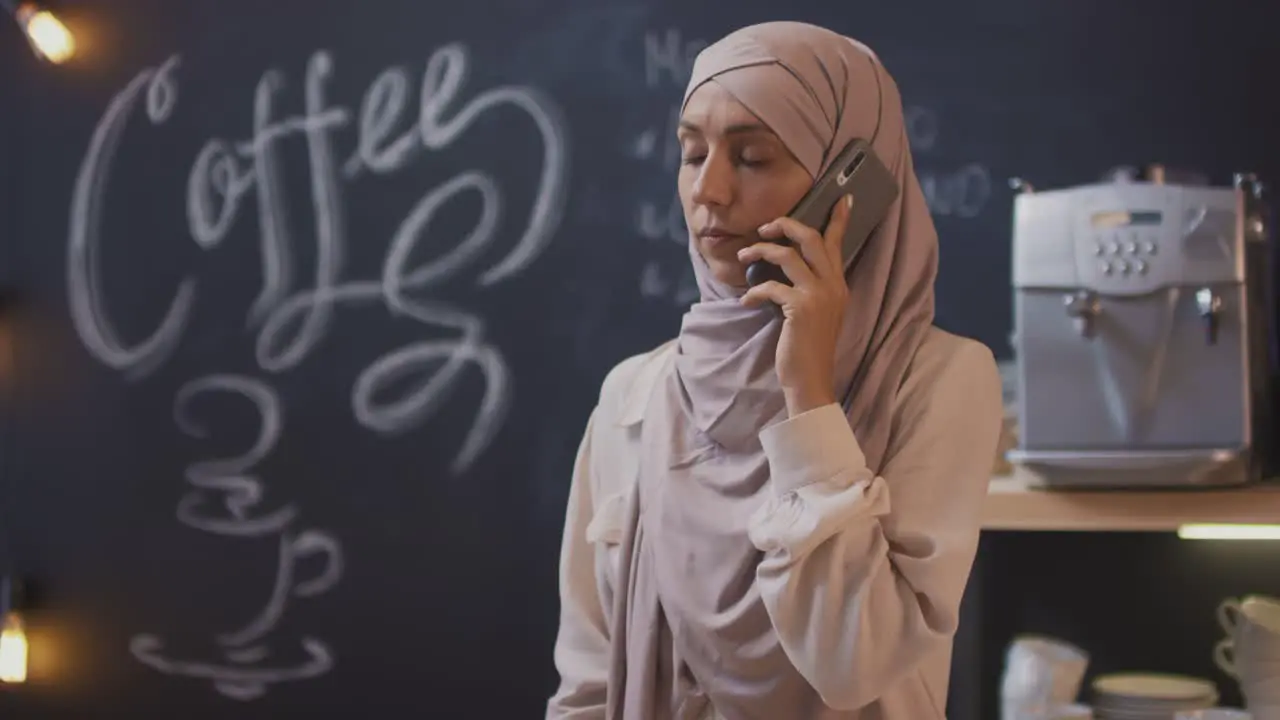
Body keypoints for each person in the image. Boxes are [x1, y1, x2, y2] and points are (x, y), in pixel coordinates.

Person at [546, 20, 1003, 720]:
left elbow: (853, 665)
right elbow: (587, 691)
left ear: (847, 192)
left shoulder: (940, 382)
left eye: (753, 158)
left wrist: (808, 400)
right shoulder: (635, 398)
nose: (709, 191)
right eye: (692, 153)